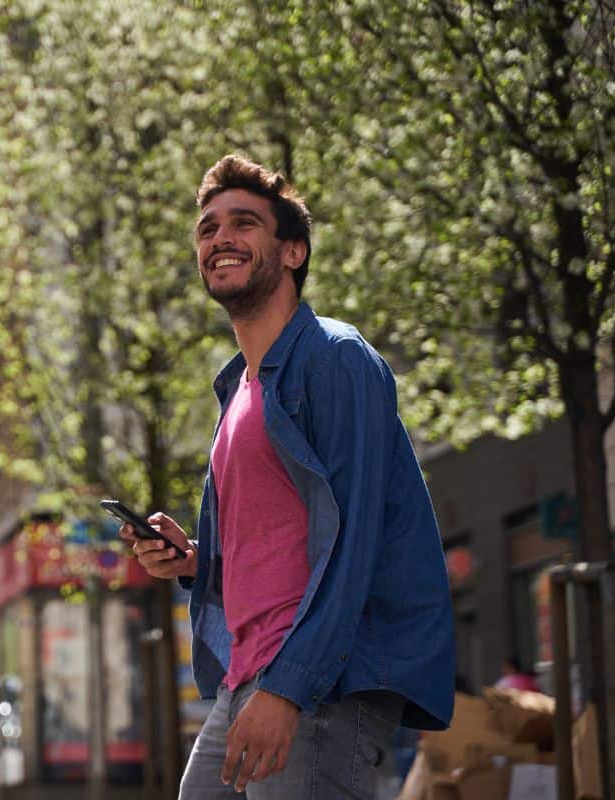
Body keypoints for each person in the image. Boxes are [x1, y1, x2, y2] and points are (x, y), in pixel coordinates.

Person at [120, 154, 454, 798]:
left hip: (320, 681)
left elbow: (354, 540)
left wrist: (290, 688)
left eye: (244, 224)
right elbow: (274, 542)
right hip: (250, 674)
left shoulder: (335, 359)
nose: (220, 238)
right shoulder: (239, 389)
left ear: (293, 252)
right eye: (208, 228)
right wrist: (191, 562)